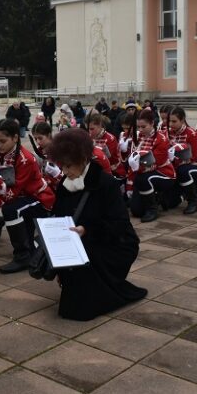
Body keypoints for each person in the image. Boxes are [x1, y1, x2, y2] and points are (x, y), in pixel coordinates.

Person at [46, 128, 147, 321]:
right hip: (80, 241)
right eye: (62, 166)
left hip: (114, 243)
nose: (65, 172)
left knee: (80, 307)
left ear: (83, 159)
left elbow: (119, 224)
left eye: (69, 166)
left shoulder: (105, 183)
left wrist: (87, 230)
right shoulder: (64, 185)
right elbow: (59, 216)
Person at [0, 119, 54, 273]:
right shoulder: (3, 153)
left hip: (40, 198)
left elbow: (13, 193)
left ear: (15, 138)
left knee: (11, 209)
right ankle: (30, 248)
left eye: (3, 141)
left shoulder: (25, 159)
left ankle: (23, 256)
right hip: (25, 197)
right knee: (13, 208)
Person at [127, 109, 175, 222]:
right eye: (138, 127)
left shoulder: (161, 139)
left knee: (144, 178)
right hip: (142, 173)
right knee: (136, 211)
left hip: (164, 173)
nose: (140, 130)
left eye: (143, 127)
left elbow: (153, 164)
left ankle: (152, 209)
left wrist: (136, 166)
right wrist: (130, 185)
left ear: (152, 123)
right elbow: (132, 160)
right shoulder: (138, 137)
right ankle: (156, 198)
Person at [167, 107, 197, 214]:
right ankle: (183, 193)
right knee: (169, 203)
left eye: (174, 121)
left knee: (183, 170)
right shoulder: (167, 133)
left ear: (182, 120)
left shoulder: (192, 134)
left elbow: (193, 157)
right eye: (169, 121)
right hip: (177, 168)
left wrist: (175, 156)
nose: (171, 124)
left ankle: (193, 201)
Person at [32, 121, 111, 178]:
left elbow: (73, 175)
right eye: (35, 139)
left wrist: (58, 175)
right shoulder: (39, 152)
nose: (38, 142)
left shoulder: (62, 149)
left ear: (49, 135)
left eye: (40, 138)